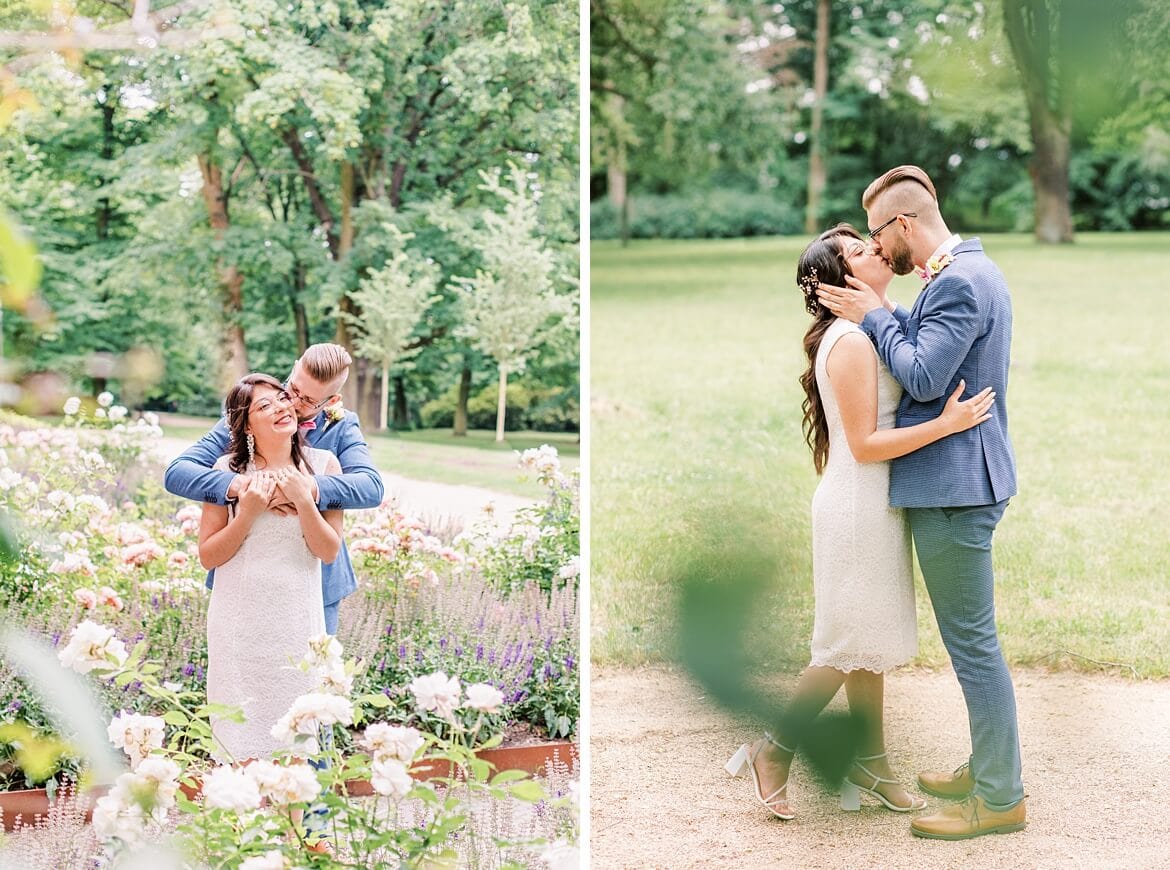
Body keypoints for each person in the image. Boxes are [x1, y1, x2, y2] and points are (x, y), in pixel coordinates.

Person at [726, 224, 995, 821]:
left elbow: (905, 339)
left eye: (869, 242)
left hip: (878, 505)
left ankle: (870, 766)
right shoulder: (847, 343)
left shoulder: (868, 326)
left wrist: (881, 305)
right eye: (857, 251)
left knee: (867, 643)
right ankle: (775, 750)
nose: (875, 249)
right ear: (836, 281)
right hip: (855, 507)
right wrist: (946, 426)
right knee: (845, 645)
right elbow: (867, 444)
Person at [816, 165, 1025, 840]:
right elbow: (932, 343)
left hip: (955, 488)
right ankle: (988, 768)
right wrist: (891, 315)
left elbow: (927, 375)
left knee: (973, 647)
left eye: (879, 234)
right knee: (974, 643)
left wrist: (876, 314)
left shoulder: (960, 279)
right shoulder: (966, 268)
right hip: (961, 482)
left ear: (903, 224)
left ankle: (998, 799)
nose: (879, 249)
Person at [165, 343, 384, 635]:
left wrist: (305, 488)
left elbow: (370, 487)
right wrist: (246, 486)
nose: (291, 403)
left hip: (316, 581)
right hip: (244, 577)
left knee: (315, 675)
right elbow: (178, 472)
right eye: (292, 388)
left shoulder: (341, 427)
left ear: (331, 401)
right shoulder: (252, 409)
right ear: (294, 368)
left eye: (307, 400)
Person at [198, 373, 342, 764]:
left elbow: (328, 550)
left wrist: (304, 500)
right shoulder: (225, 470)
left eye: (281, 398)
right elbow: (209, 556)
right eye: (264, 406)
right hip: (239, 627)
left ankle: (291, 827)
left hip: (297, 626)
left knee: (295, 750)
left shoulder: (324, 466)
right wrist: (246, 514)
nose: (280, 407)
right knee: (241, 747)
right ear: (245, 425)